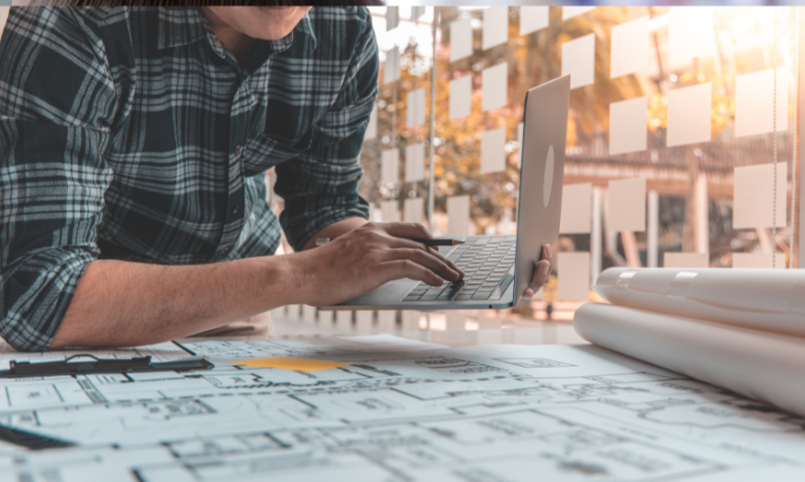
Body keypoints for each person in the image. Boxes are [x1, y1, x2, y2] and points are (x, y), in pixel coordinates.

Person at [0, 5, 553, 352]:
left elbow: (322, 202)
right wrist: (299, 276)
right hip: (93, 329)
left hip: (238, 324)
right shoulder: (71, 25)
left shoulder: (343, 29)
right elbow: (40, 296)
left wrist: (384, 263)